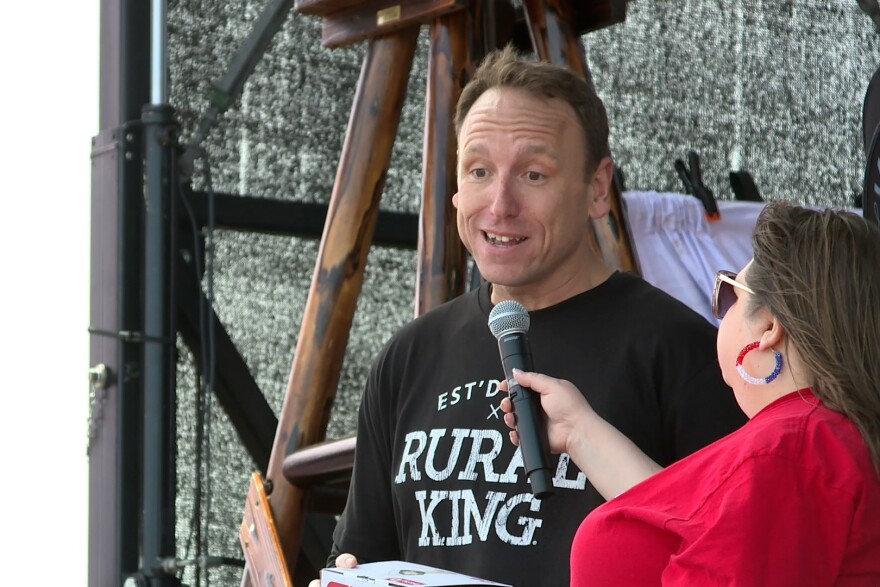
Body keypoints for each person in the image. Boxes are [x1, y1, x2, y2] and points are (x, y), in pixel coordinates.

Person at [310, 45, 746, 587]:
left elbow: (735, 557)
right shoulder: (409, 356)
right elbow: (361, 554)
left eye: (534, 175)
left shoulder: (681, 351)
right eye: (478, 171)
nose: (499, 205)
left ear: (597, 188)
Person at [501, 201, 880, 585]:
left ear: (769, 327)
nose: (722, 312)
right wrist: (577, 430)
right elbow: (683, 525)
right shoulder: (807, 444)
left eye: (730, 295)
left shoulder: (785, 450)